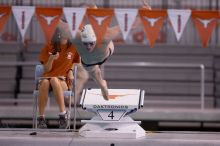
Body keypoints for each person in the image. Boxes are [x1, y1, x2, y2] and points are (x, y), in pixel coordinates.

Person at [37, 20, 80, 129]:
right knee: (46, 82)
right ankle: (41, 118)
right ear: (60, 31)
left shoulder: (74, 47)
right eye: (67, 28)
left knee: (54, 80)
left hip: (63, 81)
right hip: (47, 78)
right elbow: (46, 68)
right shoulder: (49, 46)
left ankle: (62, 115)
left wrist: (70, 70)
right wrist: (51, 59)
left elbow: (75, 63)